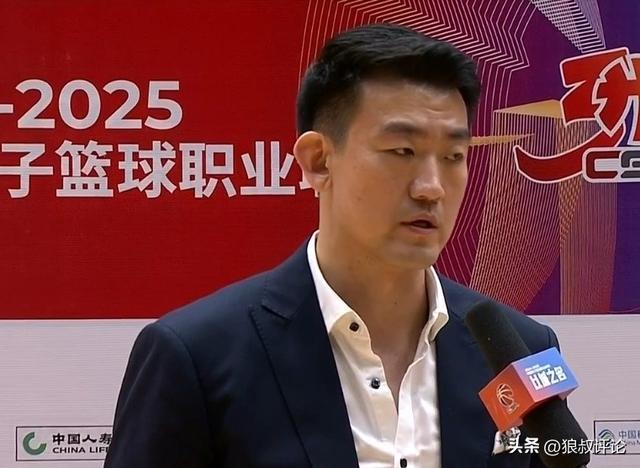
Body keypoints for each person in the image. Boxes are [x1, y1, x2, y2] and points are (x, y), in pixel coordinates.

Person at [104, 24, 560, 468]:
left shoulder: (522, 348)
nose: (431, 187)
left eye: (453, 157)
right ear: (319, 161)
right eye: (402, 152)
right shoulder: (197, 356)